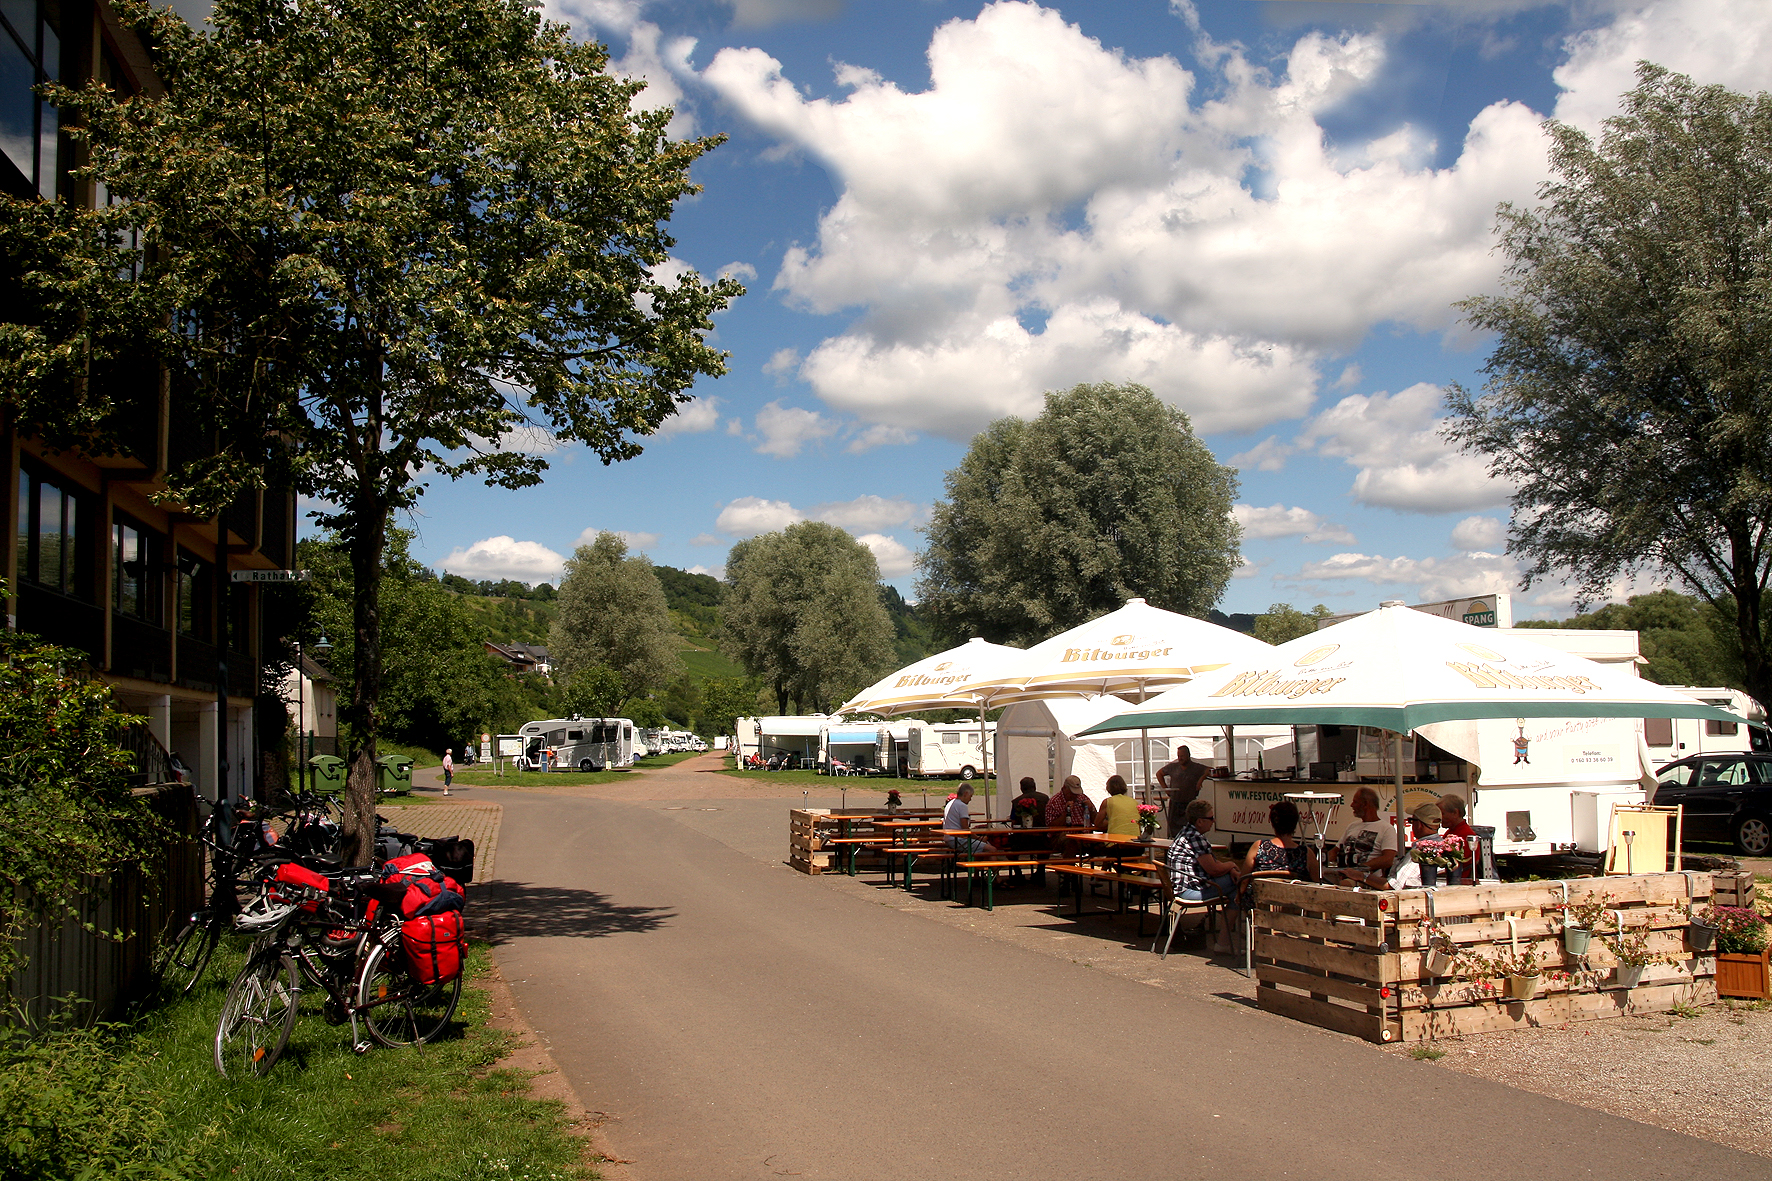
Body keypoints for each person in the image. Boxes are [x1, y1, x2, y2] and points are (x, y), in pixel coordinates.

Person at [1167, 798, 1242, 953]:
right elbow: (1213, 869)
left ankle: (1223, 943)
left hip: (1182, 888)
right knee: (1241, 887)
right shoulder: (1195, 838)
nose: (1213, 821)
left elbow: (1213, 863)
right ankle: (1225, 942)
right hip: (1189, 891)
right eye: (1211, 818)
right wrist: (1232, 865)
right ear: (1200, 821)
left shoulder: (1187, 833)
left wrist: (1229, 869)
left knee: (1237, 890)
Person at [1240, 800, 1318, 887]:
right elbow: (1318, 884)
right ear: (1295, 823)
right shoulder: (1306, 853)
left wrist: (1239, 897)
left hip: (1260, 898)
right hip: (1294, 899)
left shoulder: (1259, 846)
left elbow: (1243, 881)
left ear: (1273, 823)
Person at [1331, 787, 1397, 884]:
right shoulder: (1352, 826)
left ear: (1365, 804)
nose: (1351, 805)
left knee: (1346, 884)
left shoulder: (1386, 829)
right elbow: (1335, 851)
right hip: (1342, 871)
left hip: (1365, 878)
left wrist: (1359, 870)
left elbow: (1388, 859)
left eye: (1355, 802)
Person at [1157, 746, 1210, 835]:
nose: (1180, 758)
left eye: (1182, 756)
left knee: (1190, 827)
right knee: (1173, 829)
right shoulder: (1173, 766)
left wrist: (1201, 779)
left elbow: (1210, 770)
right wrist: (1165, 788)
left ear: (1188, 755)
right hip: (1175, 802)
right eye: (1178, 756)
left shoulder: (1196, 767)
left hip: (1190, 803)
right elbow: (1159, 773)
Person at [943, 784, 995, 855]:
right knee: (992, 849)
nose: (970, 799)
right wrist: (977, 838)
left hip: (949, 839)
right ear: (965, 793)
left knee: (984, 850)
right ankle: (986, 865)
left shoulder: (950, 803)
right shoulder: (962, 805)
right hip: (959, 840)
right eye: (970, 796)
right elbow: (965, 828)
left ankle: (983, 865)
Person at [1438, 793, 1477, 879]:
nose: (1439, 817)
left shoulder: (1465, 835)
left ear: (1456, 812)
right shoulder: (1451, 831)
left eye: (1442, 813)